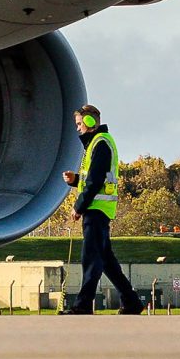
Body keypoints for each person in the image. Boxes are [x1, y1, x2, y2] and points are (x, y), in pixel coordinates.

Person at [59, 103, 143, 315]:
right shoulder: (100, 143)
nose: (78, 128)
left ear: (89, 123)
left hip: (96, 210)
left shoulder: (100, 143)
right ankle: (131, 301)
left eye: (79, 124)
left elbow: (95, 181)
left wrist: (78, 206)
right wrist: (76, 180)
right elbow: (94, 179)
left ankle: (83, 304)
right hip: (99, 209)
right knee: (106, 261)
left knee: (91, 258)